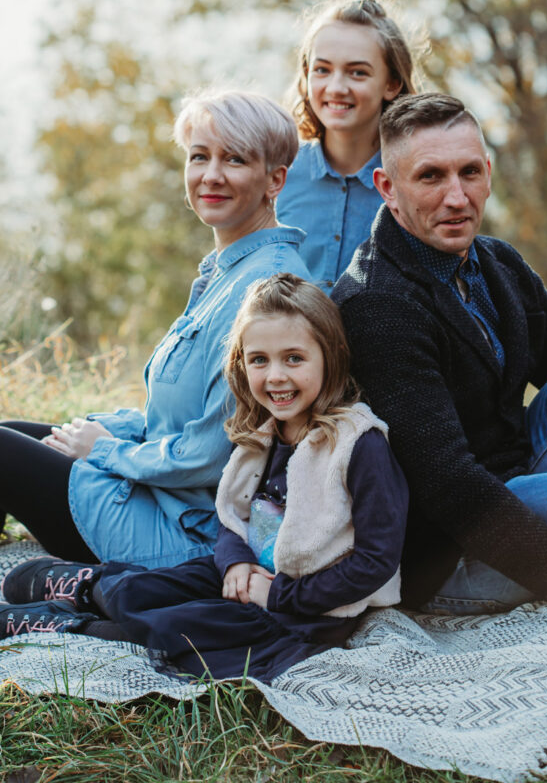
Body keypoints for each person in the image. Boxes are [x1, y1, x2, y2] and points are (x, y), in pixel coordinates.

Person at [333, 92, 547, 613]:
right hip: (455, 548)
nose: (457, 197)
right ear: (388, 187)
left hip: (521, 479)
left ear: (488, 174)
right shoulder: (378, 306)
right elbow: (449, 489)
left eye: (469, 172)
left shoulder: (496, 263)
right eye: (431, 177)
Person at [0, 274, 408, 685]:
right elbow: (232, 515)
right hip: (241, 579)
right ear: (241, 363)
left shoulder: (358, 444)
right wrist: (235, 561)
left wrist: (280, 595)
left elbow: (376, 559)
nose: (276, 377)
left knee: (183, 631)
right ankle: (87, 587)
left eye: (294, 359)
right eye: (259, 360)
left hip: (302, 611)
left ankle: (60, 624)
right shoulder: (261, 434)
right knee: (144, 588)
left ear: (331, 355)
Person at [0, 89, 311, 571]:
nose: (211, 175)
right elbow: (175, 417)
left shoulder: (262, 291)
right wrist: (104, 431)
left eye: (234, 159)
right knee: (13, 433)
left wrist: (105, 450)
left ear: (275, 179)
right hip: (165, 496)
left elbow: (211, 456)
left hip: (187, 531)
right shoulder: (227, 273)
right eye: (199, 156)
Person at [276, 0, 419, 292]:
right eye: (322, 70)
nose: (336, 88)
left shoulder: (416, 184)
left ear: (391, 84)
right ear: (306, 75)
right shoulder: (277, 177)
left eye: (358, 72)